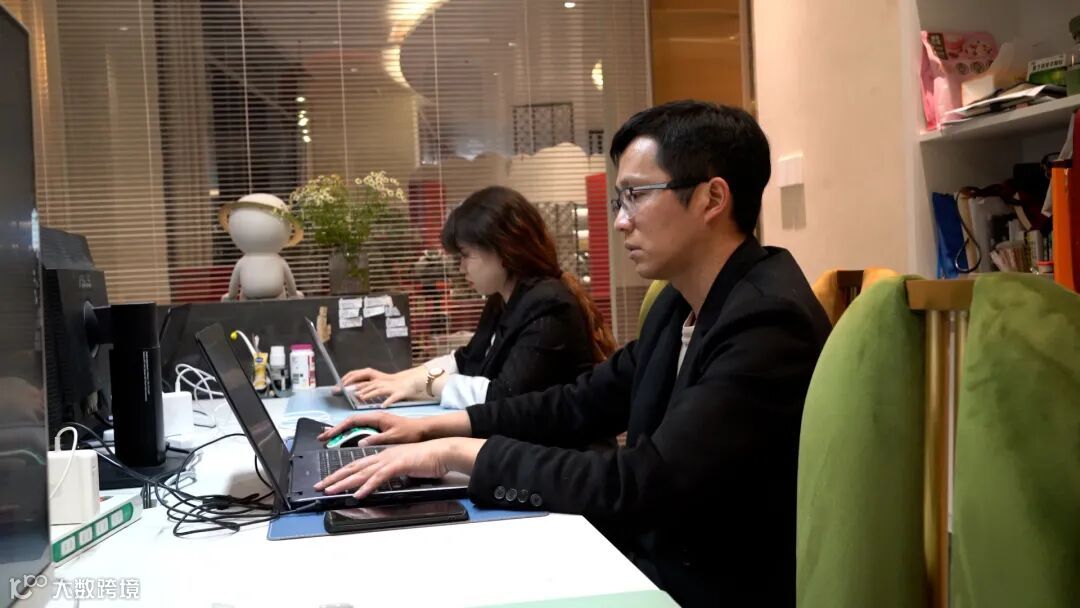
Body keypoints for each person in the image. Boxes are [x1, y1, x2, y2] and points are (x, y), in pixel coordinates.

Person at [315, 101, 832, 606]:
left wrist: (457, 454)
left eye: (636, 195)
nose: (621, 221)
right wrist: (433, 430)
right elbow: (576, 403)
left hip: (701, 584)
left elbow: (645, 483)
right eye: (619, 200)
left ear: (711, 198)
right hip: (657, 553)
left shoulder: (766, 321)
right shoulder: (680, 304)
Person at [339, 186, 616, 409]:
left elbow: (503, 395)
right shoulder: (502, 300)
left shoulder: (549, 304)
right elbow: (466, 360)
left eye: (465, 256)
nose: (461, 268)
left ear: (503, 250)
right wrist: (397, 380)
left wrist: (424, 384)